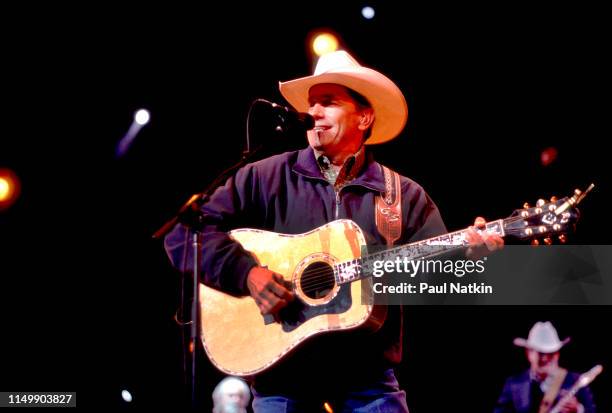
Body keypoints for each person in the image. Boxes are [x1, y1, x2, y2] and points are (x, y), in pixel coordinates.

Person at [164, 50, 503, 412]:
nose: (314, 113)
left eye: (328, 102)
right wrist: (246, 273)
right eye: (312, 104)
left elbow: (435, 285)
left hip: (368, 380)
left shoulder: (402, 194)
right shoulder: (266, 176)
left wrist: (469, 257)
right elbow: (183, 236)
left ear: (364, 116)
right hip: (282, 377)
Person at [494, 321, 596, 413]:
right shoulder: (514, 383)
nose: (545, 358)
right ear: (529, 353)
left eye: (551, 353)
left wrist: (578, 409)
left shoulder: (576, 381)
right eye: (541, 353)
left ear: (558, 354)